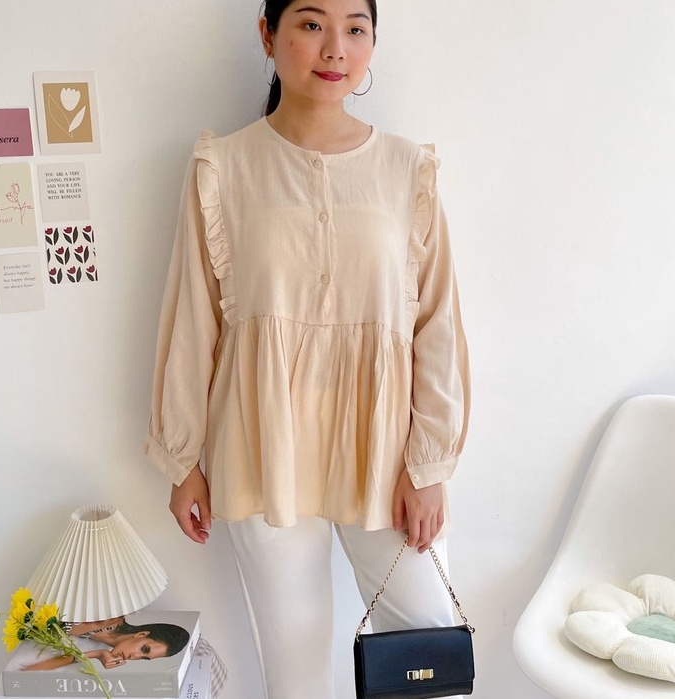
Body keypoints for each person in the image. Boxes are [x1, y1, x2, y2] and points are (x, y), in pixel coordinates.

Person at [145, 1, 470, 697]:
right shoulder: (222, 167)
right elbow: (193, 318)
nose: (334, 48)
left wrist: (429, 461)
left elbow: (437, 321)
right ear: (268, 35)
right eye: (311, 23)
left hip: (386, 451)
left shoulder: (407, 168)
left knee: (428, 652)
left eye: (355, 28)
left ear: (372, 42)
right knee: (294, 672)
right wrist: (183, 457)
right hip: (261, 445)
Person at [21, 616, 190, 670]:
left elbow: (28, 670)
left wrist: (95, 654)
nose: (134, 657)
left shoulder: (100, 646)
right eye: (144, 649)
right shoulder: (107, 616)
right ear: (141, 634)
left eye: (143, 658)